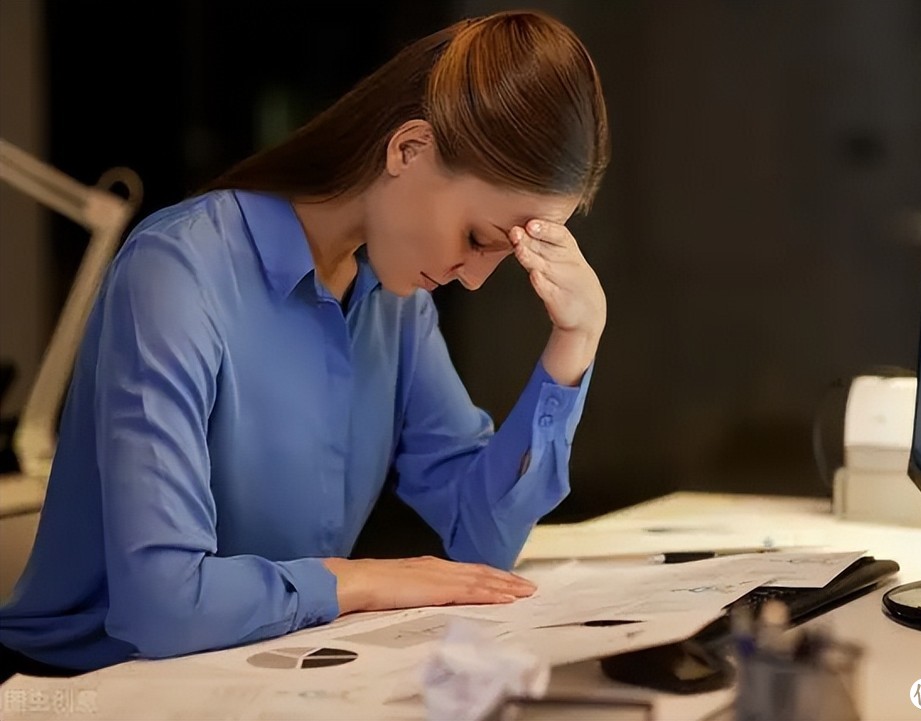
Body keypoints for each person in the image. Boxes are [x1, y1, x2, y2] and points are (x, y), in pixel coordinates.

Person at [0, 9, 609, 678]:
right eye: (477, 238)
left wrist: (573, 341)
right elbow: (163, 604)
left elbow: (482, 544)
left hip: (259, 675)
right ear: (408, 150)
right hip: (84, 686)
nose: (472, 279)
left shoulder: (393, 303)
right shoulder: (177, 272)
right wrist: (360, 581)